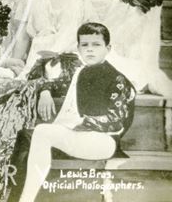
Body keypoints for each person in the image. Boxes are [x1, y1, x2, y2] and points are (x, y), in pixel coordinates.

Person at [10, 22, 136, 202]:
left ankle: (25, 199)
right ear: (78, 48)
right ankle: (19, 196)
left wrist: (83, 122)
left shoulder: (116, 79)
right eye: (85, 45)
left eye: (96, 45)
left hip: (104, 141)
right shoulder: (79, 72)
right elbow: (56, 85)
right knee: (29, 135)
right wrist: (45, 90)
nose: (90, 50)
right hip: (79, 137)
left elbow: (117, 119)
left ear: (108, 48)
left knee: (43, 132)